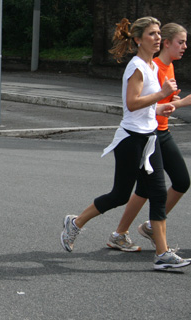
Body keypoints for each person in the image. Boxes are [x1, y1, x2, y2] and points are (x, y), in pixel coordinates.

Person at [60, 17, 191, 271]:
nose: (156, 38)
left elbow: (150, 107)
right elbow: (132, 104)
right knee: (120, 194)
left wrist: (169, 104)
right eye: (151, 34)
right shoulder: (137, 67)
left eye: (157, 34)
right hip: (132, 140)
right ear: (138, 40)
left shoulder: (152, 67)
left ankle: (162, 254)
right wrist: (162, 94)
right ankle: (75, 223)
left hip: (150, 138)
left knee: (157, 193)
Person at [106, 23, 191, 252]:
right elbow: (148, 103)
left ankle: (136, 231)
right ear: (167, 43)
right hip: (151, 133)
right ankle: (126, 233)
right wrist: (182, 102)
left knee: (176, 182)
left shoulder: (168, 66)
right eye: (180, 42)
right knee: (147, 189)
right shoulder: (154, 67)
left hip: (160, 131)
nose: (185, 46)